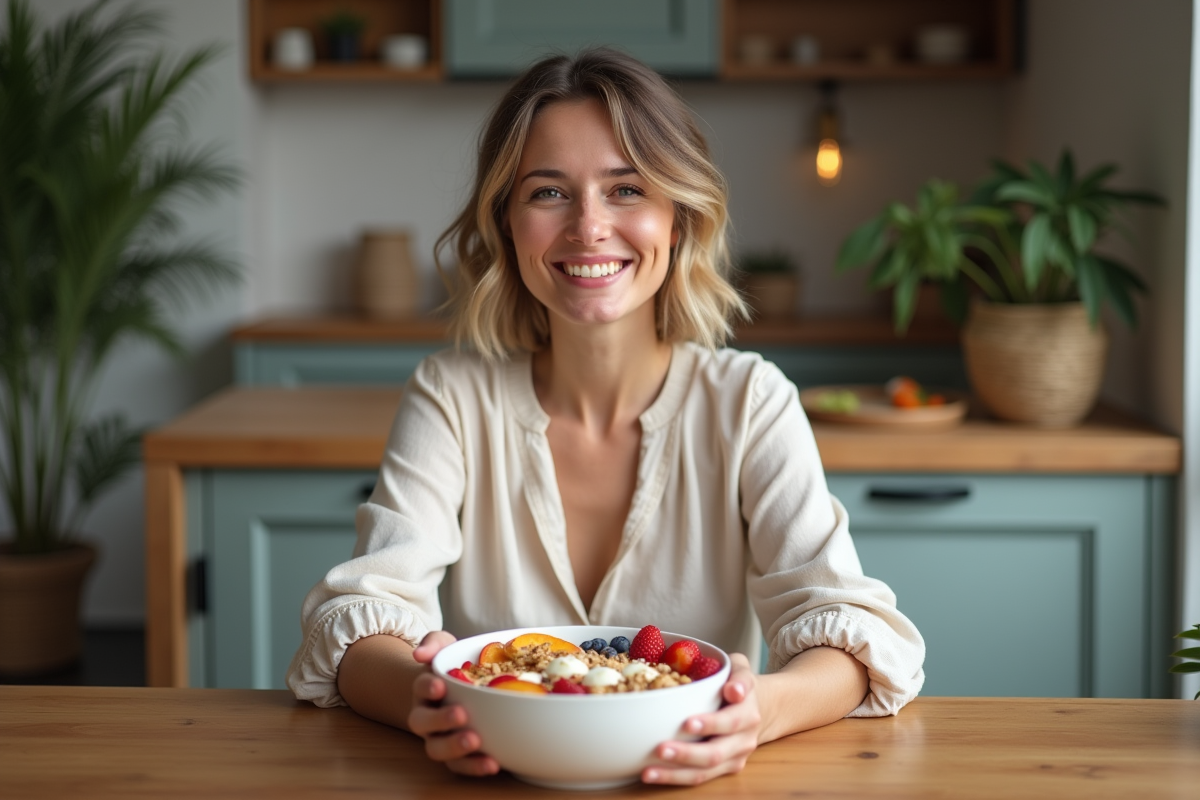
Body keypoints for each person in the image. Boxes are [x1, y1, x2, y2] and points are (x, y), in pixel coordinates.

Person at [286, 48, 924, 786]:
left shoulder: (750, 401)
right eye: (548, 192)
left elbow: (856, 639)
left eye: (626, 189)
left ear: (678, 217)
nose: (589, 227)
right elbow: (357, 622)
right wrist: (428, 701)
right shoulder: (451, 396)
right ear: (507, 224)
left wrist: (757, 711)